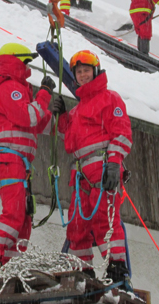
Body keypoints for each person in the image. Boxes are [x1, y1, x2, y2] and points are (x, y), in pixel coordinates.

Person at [50, 50, 133, 289]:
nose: (83, 75)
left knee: (105, 221)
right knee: (77, 225)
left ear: (95, 72)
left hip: (102, 167)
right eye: (79, 72)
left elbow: (122, 133)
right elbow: (70, 136)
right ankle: (82, 272)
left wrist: (115, 163)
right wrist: (61, 114)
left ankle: (117, 267)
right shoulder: (77, 110)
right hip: (80, 174)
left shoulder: (110, 98)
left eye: (86, 70)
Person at [0, 43, 54, 278]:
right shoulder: (10, 87)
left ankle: (10, 270)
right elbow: (28, 115)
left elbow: (38, 121)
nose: (29, 67)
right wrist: (43, 95)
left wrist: (54, 111)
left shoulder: (17, 89)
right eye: (27, 62)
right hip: (10, 159)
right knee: (14, 213)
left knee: (23, 220)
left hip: (19, 164)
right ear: (17, 62)